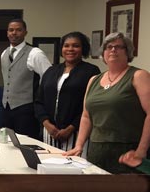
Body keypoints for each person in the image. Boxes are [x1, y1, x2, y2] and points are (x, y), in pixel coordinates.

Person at [64, 32, 150, 174]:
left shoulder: (139, 76)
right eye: (108, 47)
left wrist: (140, 151)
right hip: (97, 151)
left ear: (127, 51)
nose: (113, 50)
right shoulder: (94, 80)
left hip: (128, 152)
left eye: (118, 47)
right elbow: (86, 116)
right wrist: (78, 145)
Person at [35, 32, 100, 153]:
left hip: (76, 132)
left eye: (76, 46)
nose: (70, 49)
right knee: (49, 165)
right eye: (66, 46)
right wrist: (46, 123)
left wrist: (71, 128)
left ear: (83, 49)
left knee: (73, 168)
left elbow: (91, 106)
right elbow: (38, 101)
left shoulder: (91, 71)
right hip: (49, 132)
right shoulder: (51, 71)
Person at [1, 19, 52, 139]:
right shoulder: (4, 53)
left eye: (18, 30)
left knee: (25, 145)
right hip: (6, 108)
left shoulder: (35, 53)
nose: (14, 33)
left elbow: (49, 79)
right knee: (7, 143)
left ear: (25, 32)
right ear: (7, 33)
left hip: (27, 109)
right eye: (11, 30)